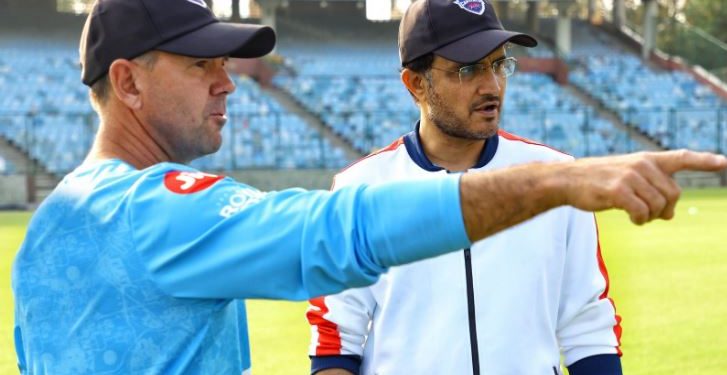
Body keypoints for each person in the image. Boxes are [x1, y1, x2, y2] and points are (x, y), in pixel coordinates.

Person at [10, 0, 726, 374]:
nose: (228, 81)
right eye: (201, 65)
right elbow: (333, 237)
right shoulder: (153, 209)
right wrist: (561, 179)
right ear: (128, 80)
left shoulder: (52, 223)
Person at [305, 1, 723, 375]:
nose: (491, 86)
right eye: (467, 70)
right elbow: (335, 340)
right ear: (415, 83)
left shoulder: (559, 177)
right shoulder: (359, 189)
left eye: (499, 64)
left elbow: (587, 324)